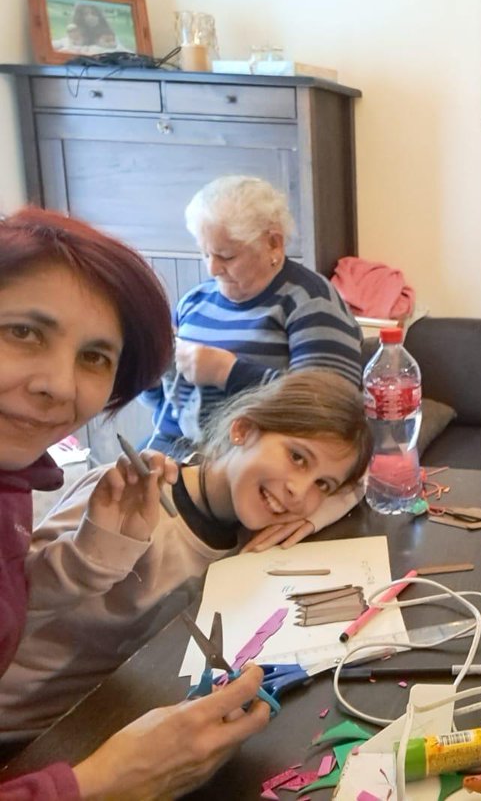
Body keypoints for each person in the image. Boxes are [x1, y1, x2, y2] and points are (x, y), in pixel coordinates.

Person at [0, 208, 269, 799]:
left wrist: (96, 551)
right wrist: (102, 782)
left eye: (94, 357)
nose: (59, 385)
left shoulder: (13, 487)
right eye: (23, 332)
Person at [0, 370, 372, 740]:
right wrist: (98, 550)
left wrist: (317, 514)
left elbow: (362, 484)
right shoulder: (126, 499)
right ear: (241, 430)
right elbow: (13, 593)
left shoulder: (249, 531)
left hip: (100, 712)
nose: (298, 492)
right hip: (19, 725)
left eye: (322, 485)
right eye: (297, 457)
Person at [142, 176, 364, 543]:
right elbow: (166, 403)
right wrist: (151, 377)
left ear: (273, 242)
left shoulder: (309, 301)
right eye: (205, 253)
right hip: (181, 469)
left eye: (227, 255)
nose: (212, 268)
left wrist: (229, 372)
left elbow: (331, 412)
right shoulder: (194, 302)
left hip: (250, 480)